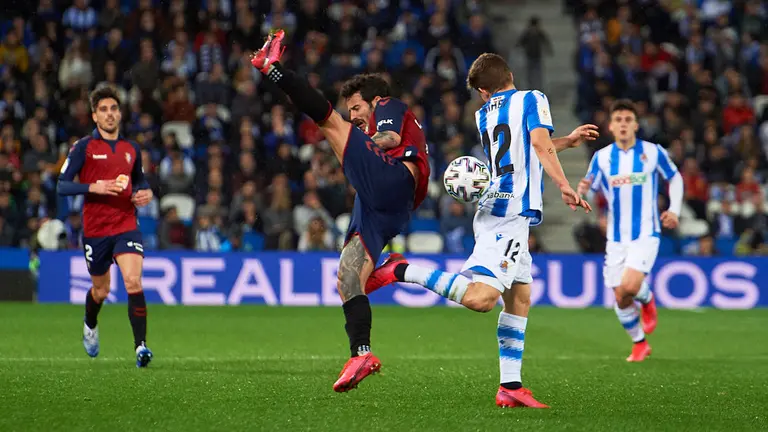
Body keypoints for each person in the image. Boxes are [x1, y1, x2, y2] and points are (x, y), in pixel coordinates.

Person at [365, 53, 595, 408]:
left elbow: (523, 149)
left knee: (519, 299)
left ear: (484, 91)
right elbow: (536, 144)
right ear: (511, 75)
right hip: (510, 211)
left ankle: (511, 386)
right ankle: (401, 269)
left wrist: (565, 142)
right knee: (481, 299)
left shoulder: (484, 113)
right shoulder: (532, 98)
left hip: (496, 207)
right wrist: (564, 184)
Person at [250, 30, 430, 392]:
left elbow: (391, 139)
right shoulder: (366, 134)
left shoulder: (389, 106)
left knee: (327, 121)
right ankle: (361, 352)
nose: (355, 115)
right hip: (379, 204)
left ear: (375, 101)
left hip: (395, 180)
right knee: (347, 278)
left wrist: (355, 135)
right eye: (352, 112)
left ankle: (272, 68)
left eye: (357, 108)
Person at [577, 99, 682, 362]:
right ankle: (639, 343)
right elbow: (590, 186)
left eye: (628, 120)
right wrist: (579, 194)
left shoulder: (653, 152)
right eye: (618, 120)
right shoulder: (602, 158)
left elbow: (675, 177)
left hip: (646, 232)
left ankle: (646, 299)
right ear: (611, 126)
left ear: (636, 124)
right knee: (620, 295)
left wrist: (675, 209)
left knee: (630, 285)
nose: (623, 124)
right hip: (616, 237)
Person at [57, 86, 155, 368]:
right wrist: (92, 186)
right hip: (96, 230)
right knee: (100, 290)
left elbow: (141, 182)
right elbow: (62, 185)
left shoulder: (131, 149)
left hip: (125, 224)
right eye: (103, 110)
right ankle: (90, 322)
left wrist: (145, 193)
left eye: (114, 109)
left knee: (133, 281)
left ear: (120, 114)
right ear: (94, 116)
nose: (109, 114)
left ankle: (141, 347)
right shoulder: (84, 147)